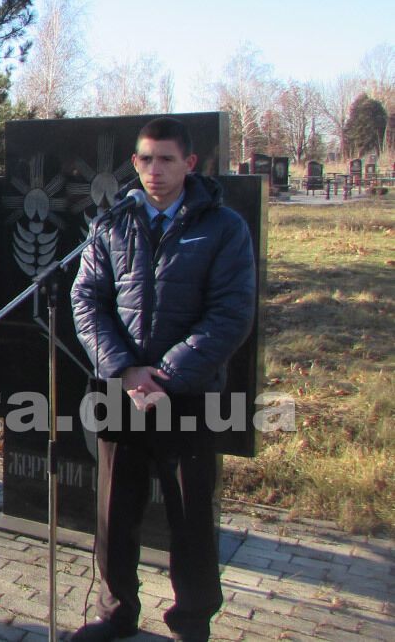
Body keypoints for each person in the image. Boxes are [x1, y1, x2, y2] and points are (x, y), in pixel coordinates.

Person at [70, 117, 256, 641]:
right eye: (146, 159)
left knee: (191, 518)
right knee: (114, 514)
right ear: (134, 163)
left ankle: (192, 620)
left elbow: (230, 314)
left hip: (188, 396)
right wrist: (126, 369)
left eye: (167, 159)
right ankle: (116, 611)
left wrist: (166, 376)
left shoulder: (222, 228)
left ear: (190, 163)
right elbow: (86, 301)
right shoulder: (111, 224)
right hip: (120, 389)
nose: (155, 170)